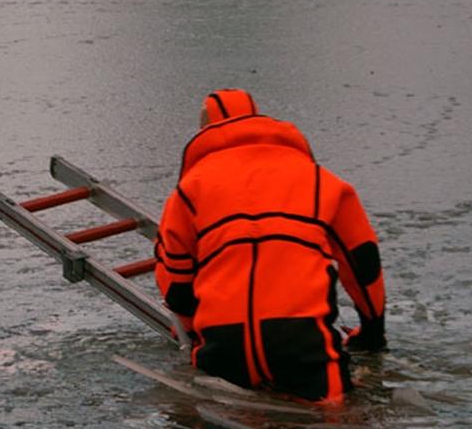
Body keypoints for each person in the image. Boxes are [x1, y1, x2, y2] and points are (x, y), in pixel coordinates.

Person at [154, 89, 386, 402]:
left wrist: (192, 333)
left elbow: (177, 287)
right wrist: (372, 332)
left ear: (203, 131)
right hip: (303, 341)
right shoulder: (321, 181)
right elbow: (363, 262)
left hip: (225, 344)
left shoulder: (187, 192)